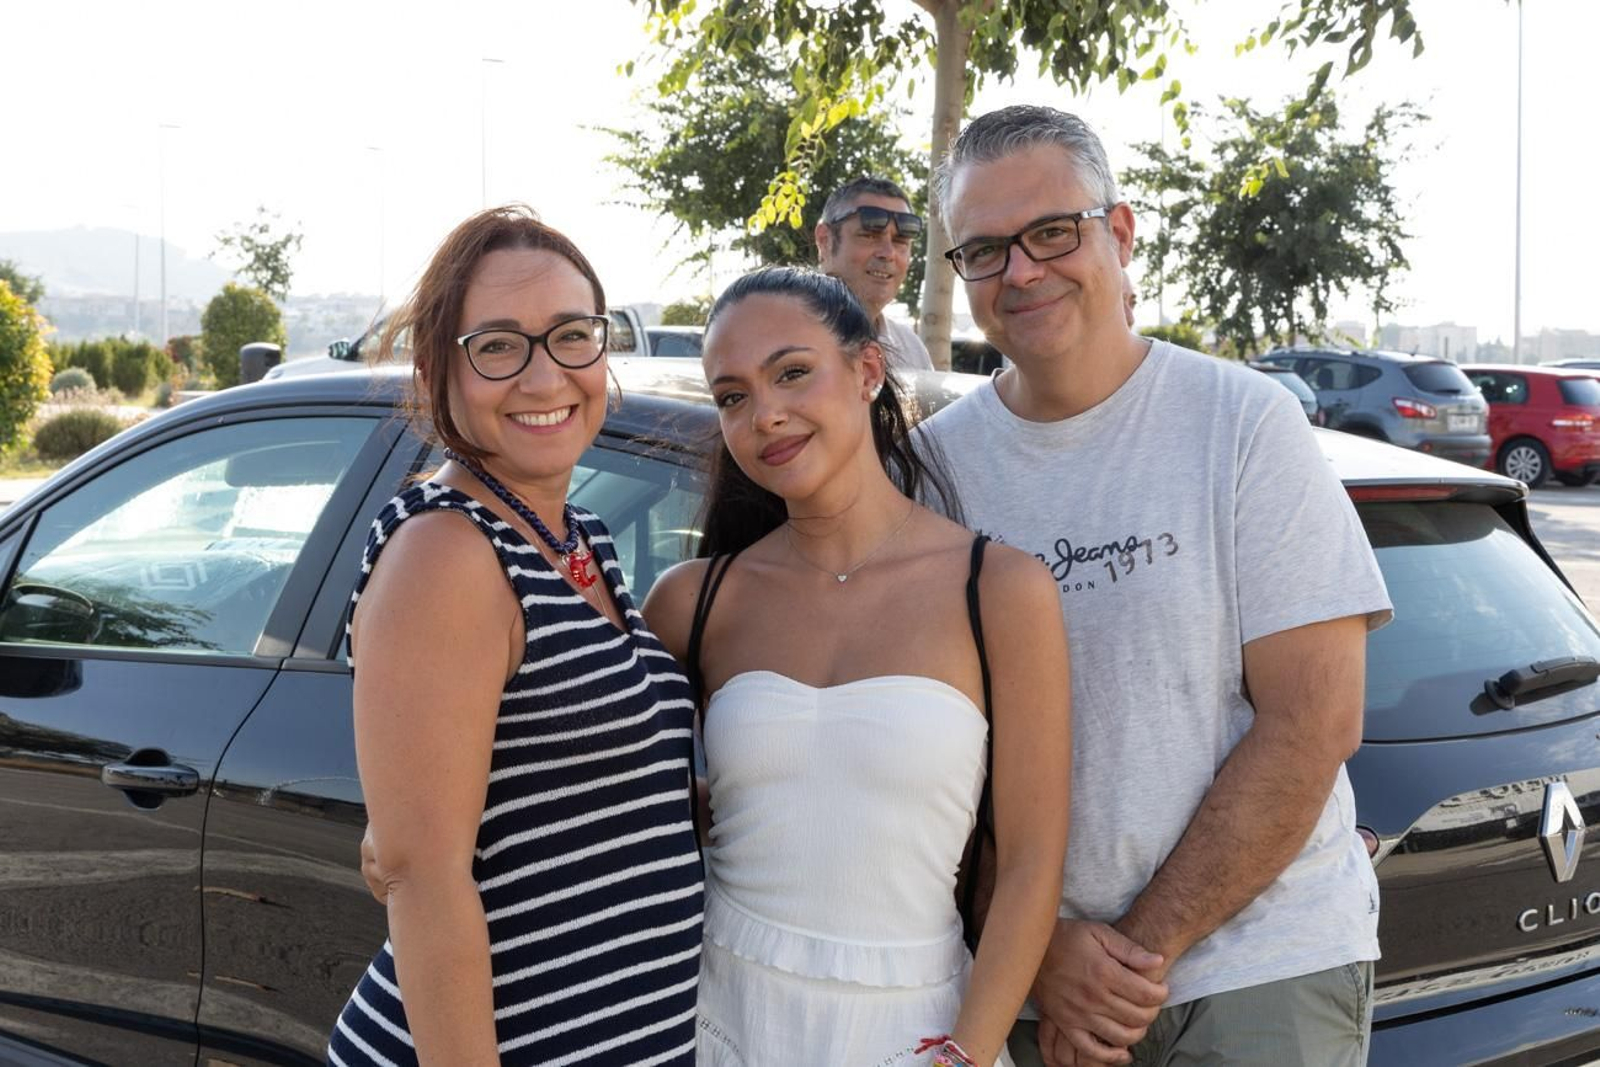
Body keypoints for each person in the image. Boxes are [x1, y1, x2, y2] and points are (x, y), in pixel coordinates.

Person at [919, 105, 1393, 1067]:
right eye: (983, 249)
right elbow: (930, 756)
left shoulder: (1243, 424)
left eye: (1054, 231)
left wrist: (1130, 954)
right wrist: (1041, 947)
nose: (1021, 270)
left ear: (1122, 233)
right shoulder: (933, 471)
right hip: (1031, 976)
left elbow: (1314, 721)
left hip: (1263, 966)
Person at [642, 266, 1071, 1065]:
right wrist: (412, 829)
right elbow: (584, 770)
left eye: (792, 372)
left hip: (916, 1032)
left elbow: (1030, 861)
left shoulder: (1001, 590)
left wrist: (966, 1054)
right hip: (717, 1020)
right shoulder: (696, 602)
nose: (765, 413)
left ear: (868, 370)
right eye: (732, 396)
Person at [328, 206, 703, 1066]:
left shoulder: (583, 539)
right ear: (438, 369)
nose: (544, 378)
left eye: (572, 335)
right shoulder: (446, 551)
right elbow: (424, 884)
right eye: (498, 346)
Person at [815, 176, 936, 371]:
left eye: (900, 241)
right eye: (869, 236)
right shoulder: (779, 334)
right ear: (825, 240)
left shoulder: (910, 350)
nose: (888, 254)